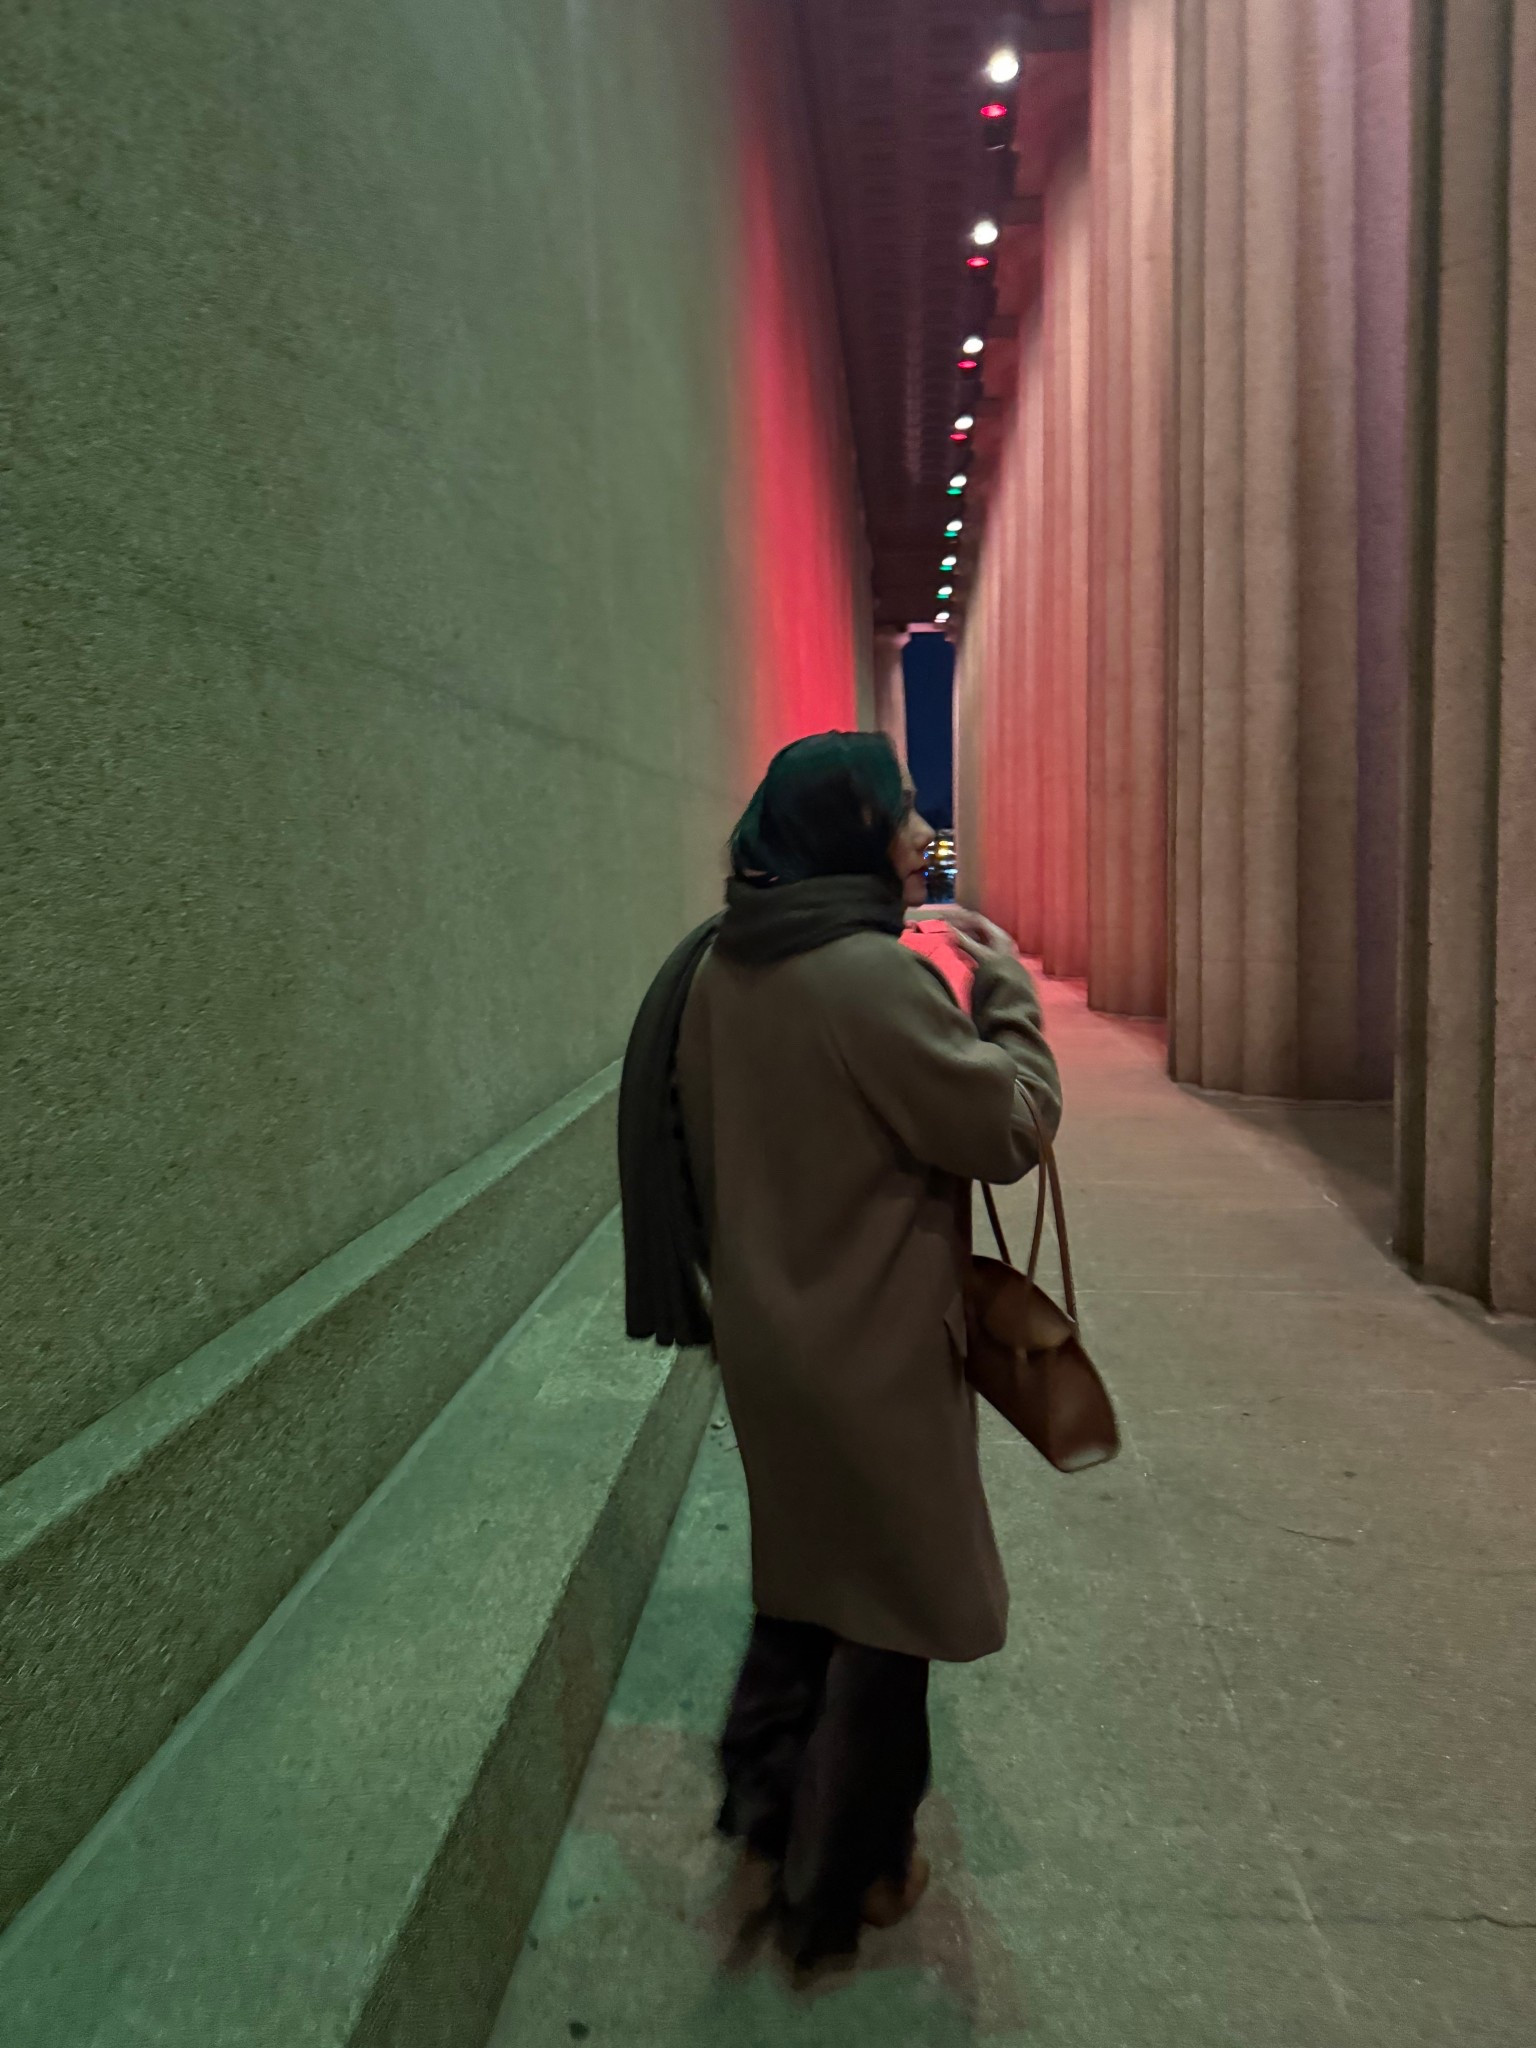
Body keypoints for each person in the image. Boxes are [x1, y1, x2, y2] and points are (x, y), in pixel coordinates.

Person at [618, 731, 1061, 1968]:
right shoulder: (862, 978)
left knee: (807, 1585)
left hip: (774, 1343)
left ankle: (762, 1810)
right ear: (845, 833)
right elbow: (1009, 1124)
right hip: (872, 1354)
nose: (921, 836)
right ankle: (854, 1869)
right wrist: (1008, 987)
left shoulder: (721, 966)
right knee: (893, 1614)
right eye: (902, 814)